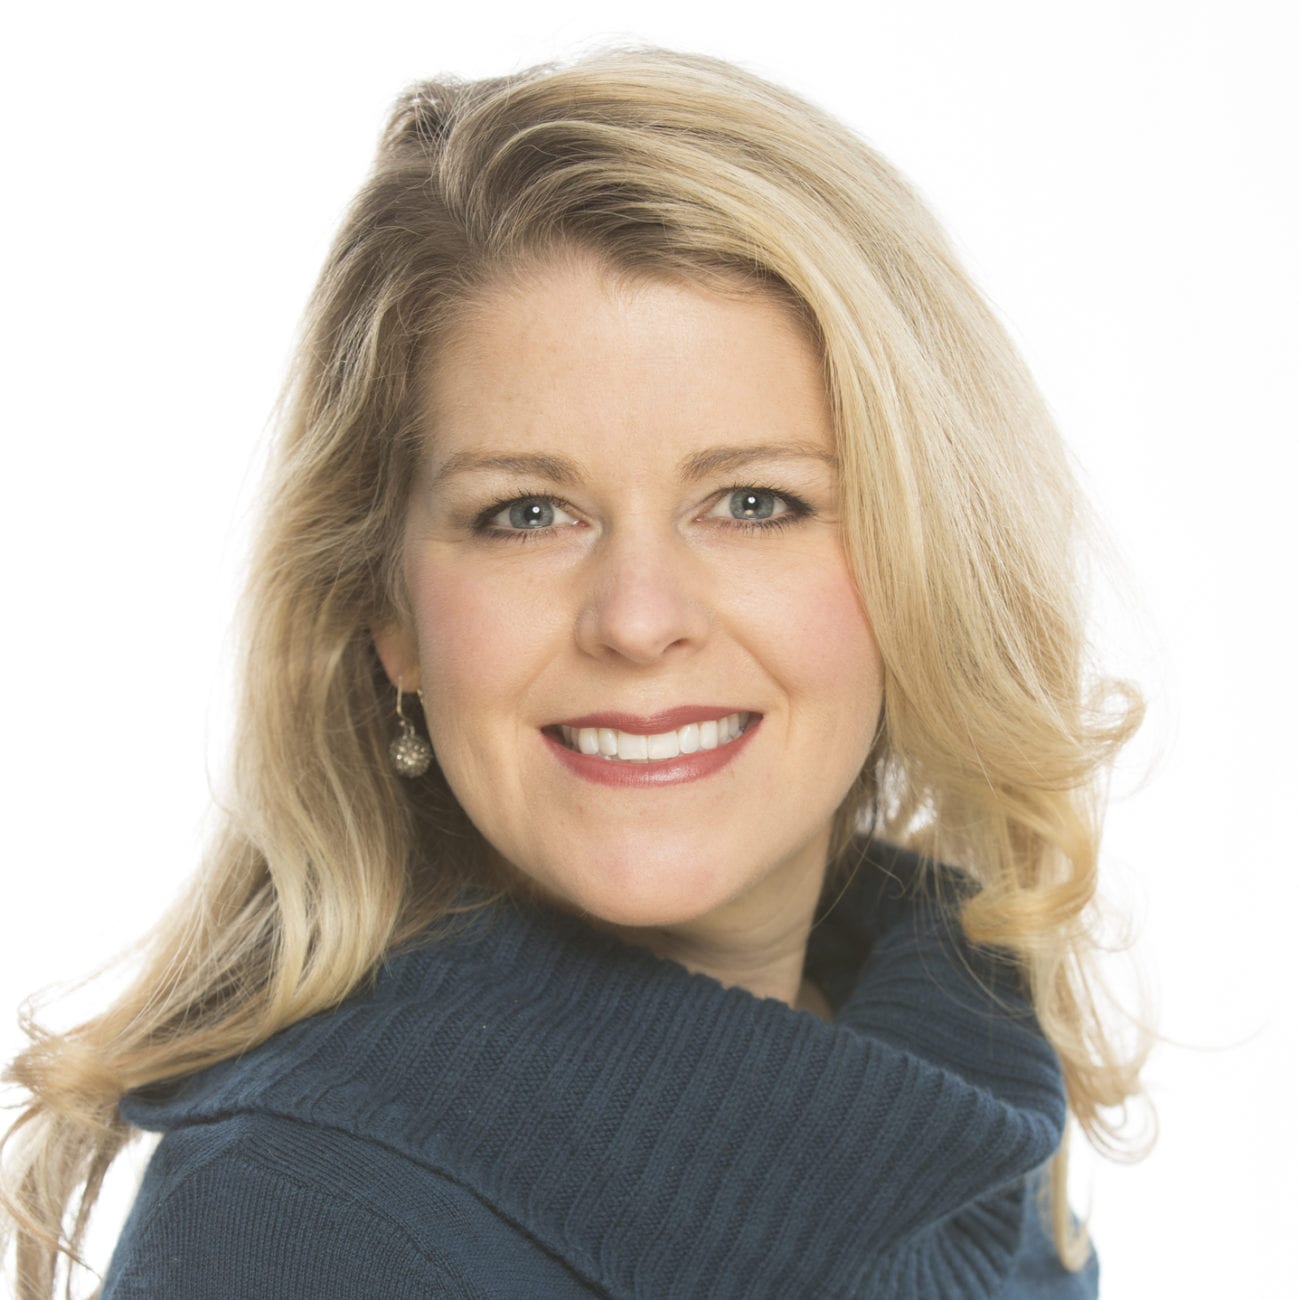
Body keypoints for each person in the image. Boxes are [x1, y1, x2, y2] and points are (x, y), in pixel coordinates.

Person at [1, 47, 1149, 1298]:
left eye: (753, 501)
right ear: (386, 609)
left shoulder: (965, 1102)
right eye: (526, 513)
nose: (637, 620)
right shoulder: (288, 1230)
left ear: (930, 561)